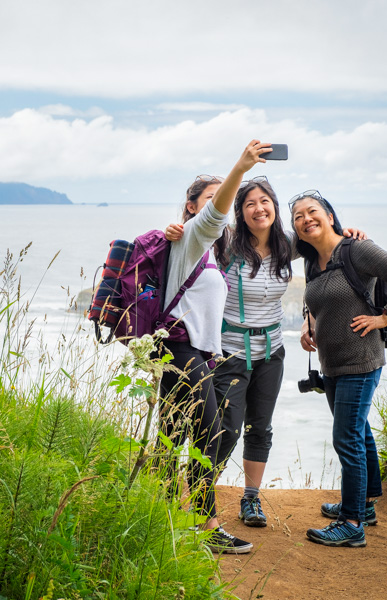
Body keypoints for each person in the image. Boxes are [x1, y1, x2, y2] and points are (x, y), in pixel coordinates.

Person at [165, 180, 366, 531]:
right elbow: (197, 232)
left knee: (261, 428)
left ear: (274, 206)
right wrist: (177, 229)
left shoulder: (288, 245)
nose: (259, 208)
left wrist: (345, 232)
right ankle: (201, 494)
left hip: (272, 350)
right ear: (240, 213)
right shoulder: (226, 244)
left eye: (265, 201)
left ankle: (251, 497)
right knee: (224, 429)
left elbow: (324, 245)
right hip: (229, 350)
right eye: (250, 204)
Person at [157, 138, 272, 555]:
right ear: (193, 208)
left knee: (172, 434)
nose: (219, 206)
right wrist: (239, 169)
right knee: (211, 430)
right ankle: (206, 525)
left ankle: (160, 519)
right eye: (210, 199)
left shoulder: (208, 249)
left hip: (185, 352)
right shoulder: (193, 235)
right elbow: (216, 213)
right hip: (179, 350)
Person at [290, 189, 387, 547]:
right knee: (358, 432)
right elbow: (313, 299)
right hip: (332, 363)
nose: (305, 219)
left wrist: (384, 318)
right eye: (298, 217)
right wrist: (306, 323)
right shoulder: (313, 261)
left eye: (312, 211)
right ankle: (363, 505)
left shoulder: (356, 249)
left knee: (346, 438)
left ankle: (351, 523)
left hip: (360, 361)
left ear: (330, 215)